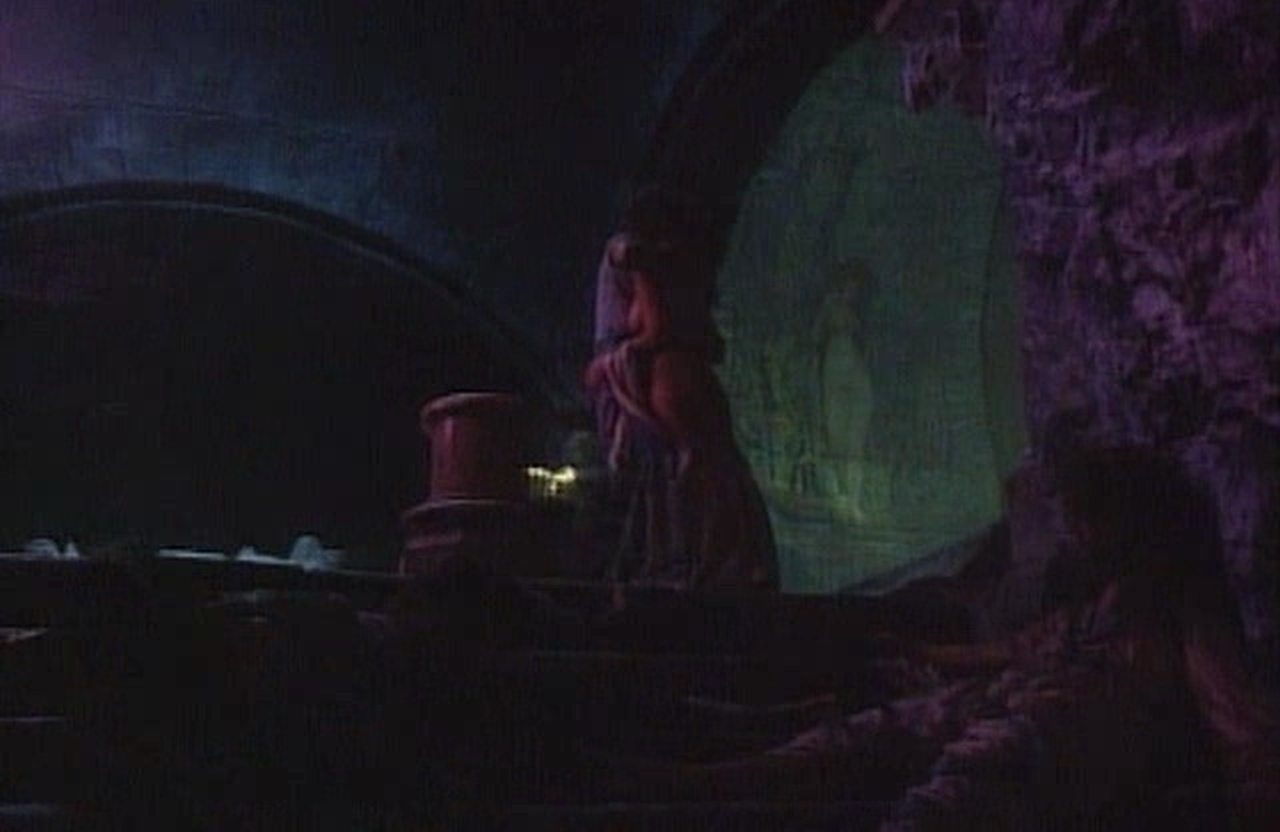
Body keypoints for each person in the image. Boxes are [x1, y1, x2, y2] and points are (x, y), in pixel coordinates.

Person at [611, 445, 1280, 828]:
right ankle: (717, 779)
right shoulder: (1099, 604)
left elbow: (1240, 730)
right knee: (884, 728)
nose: (1073, 535)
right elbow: (1020, 650)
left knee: (964, 784)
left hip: (1051, 744)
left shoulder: (1178, 615)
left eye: (1084, 521)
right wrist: (927, 654)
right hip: (1011, 707)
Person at [585, 186, 777, 589]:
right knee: (701, 479)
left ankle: (698, 570)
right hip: (680, 386)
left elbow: (656, 326)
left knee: (688, 480)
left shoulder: (636, 259)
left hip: (671, 385)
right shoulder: (673, 268)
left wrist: (608, 365)